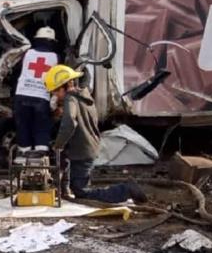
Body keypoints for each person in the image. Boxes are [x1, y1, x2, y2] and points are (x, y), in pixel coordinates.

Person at [46, 65, 146, 204]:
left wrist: (58, 145)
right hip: (88, 147)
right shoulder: (84, 96)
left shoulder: (70, 99)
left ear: (66, 85)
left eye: (56, 91)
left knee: (81, 192)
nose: (55, 95)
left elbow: (69, 123)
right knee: (72, 174)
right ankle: (65, 191)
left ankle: (125, 190)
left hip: (83, 151)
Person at [14, 27, 59, 153]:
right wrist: (54, 99)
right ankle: (41, 156)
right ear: (52, 42)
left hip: (22, 94)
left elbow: (17, 71)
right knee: (41, 127)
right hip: (41, 97)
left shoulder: (27, 53)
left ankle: (24, 156)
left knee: (23, 126)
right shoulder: (55, 57)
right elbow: (57, 80)